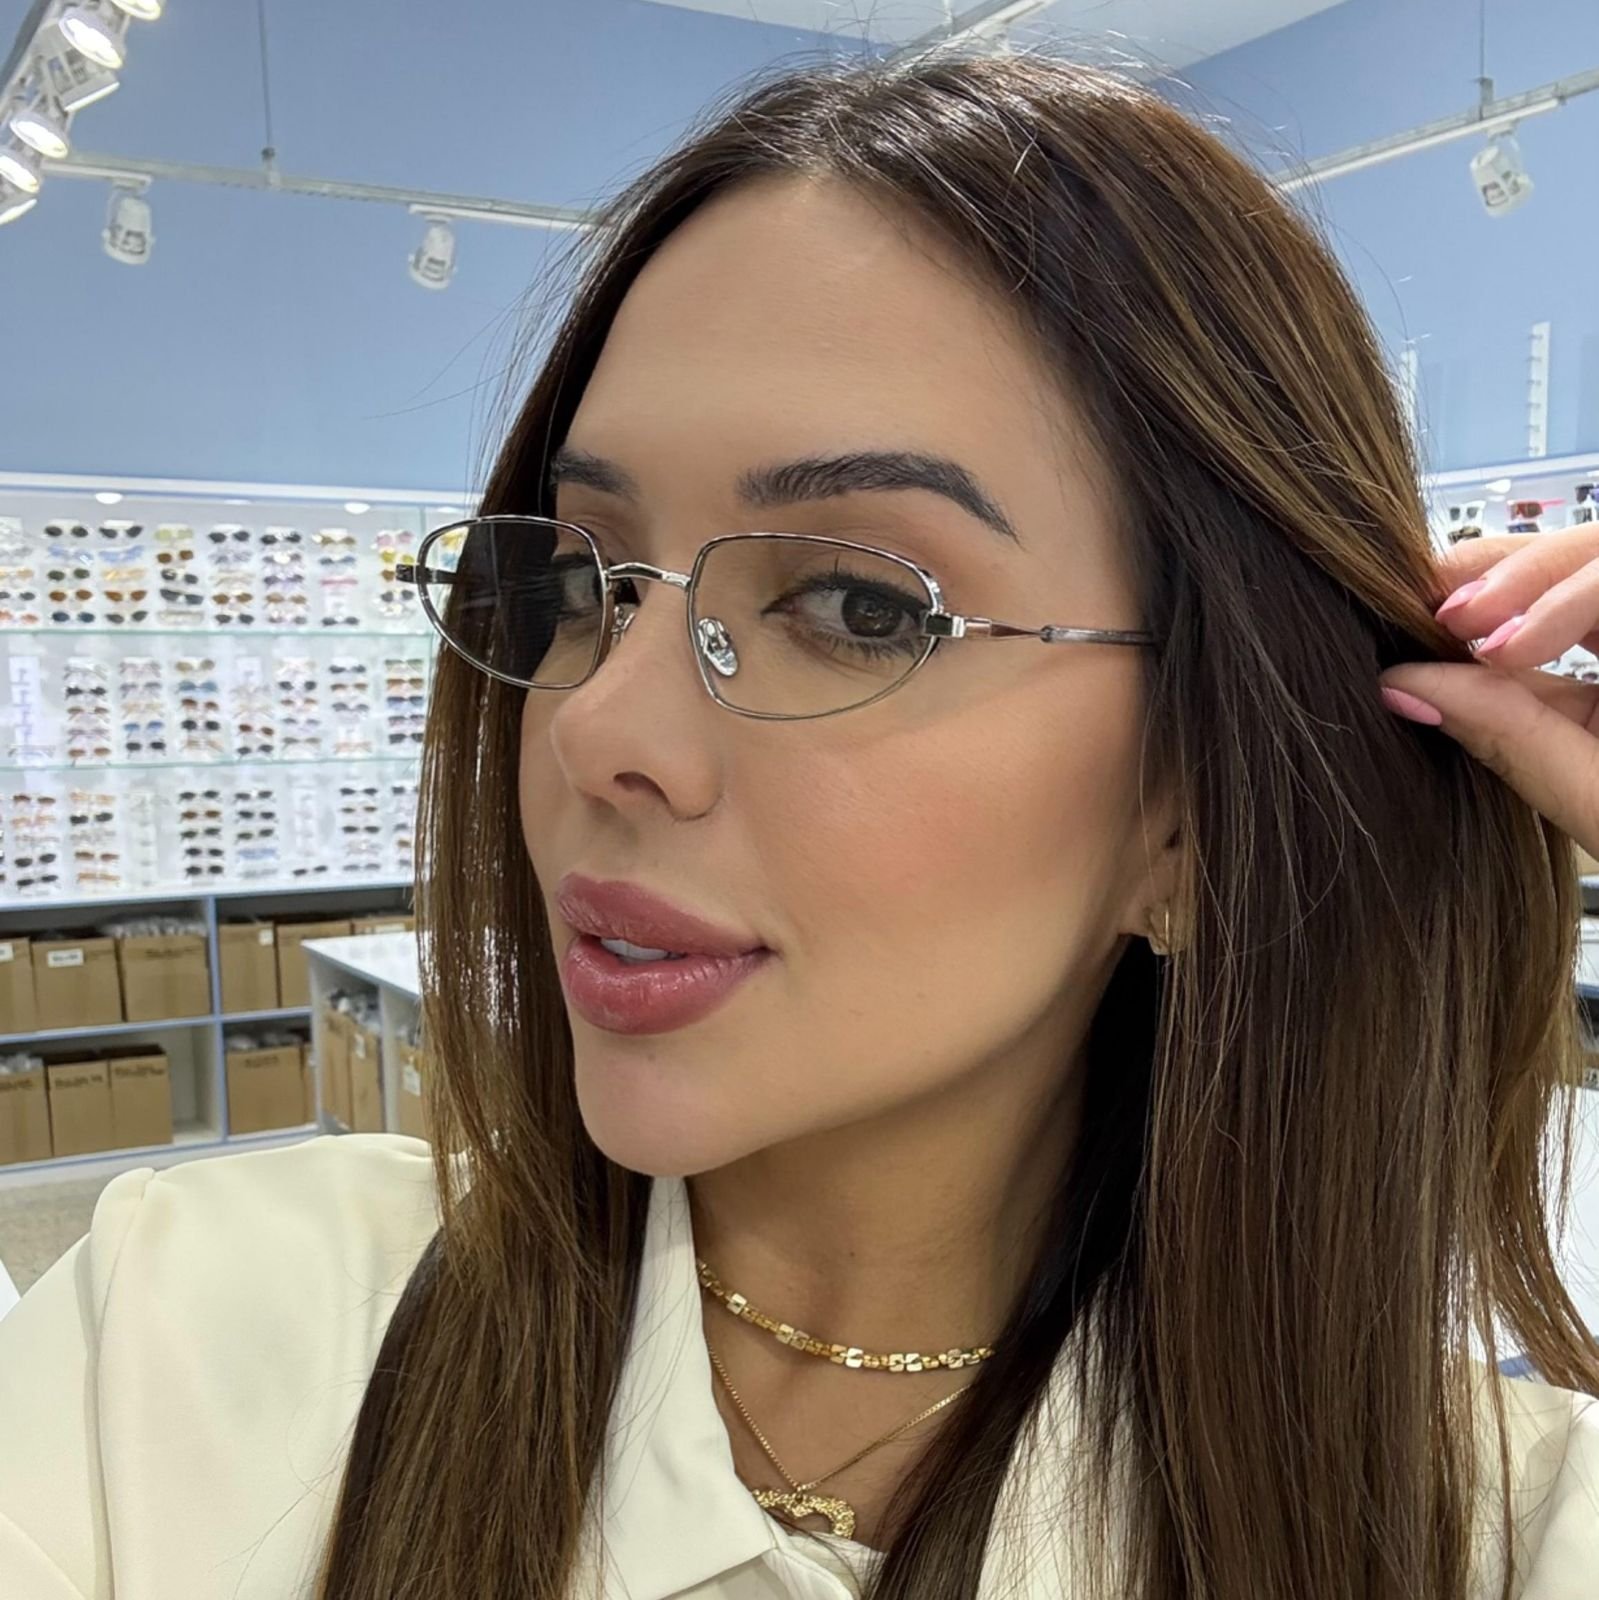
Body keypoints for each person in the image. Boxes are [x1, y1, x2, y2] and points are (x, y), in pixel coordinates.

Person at [3, 48, 1597, 1600]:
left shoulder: (1503, 1534)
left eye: (854, 605)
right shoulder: (182, 1355)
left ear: (1188, 811)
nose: (599, 729)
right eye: (586, 579)